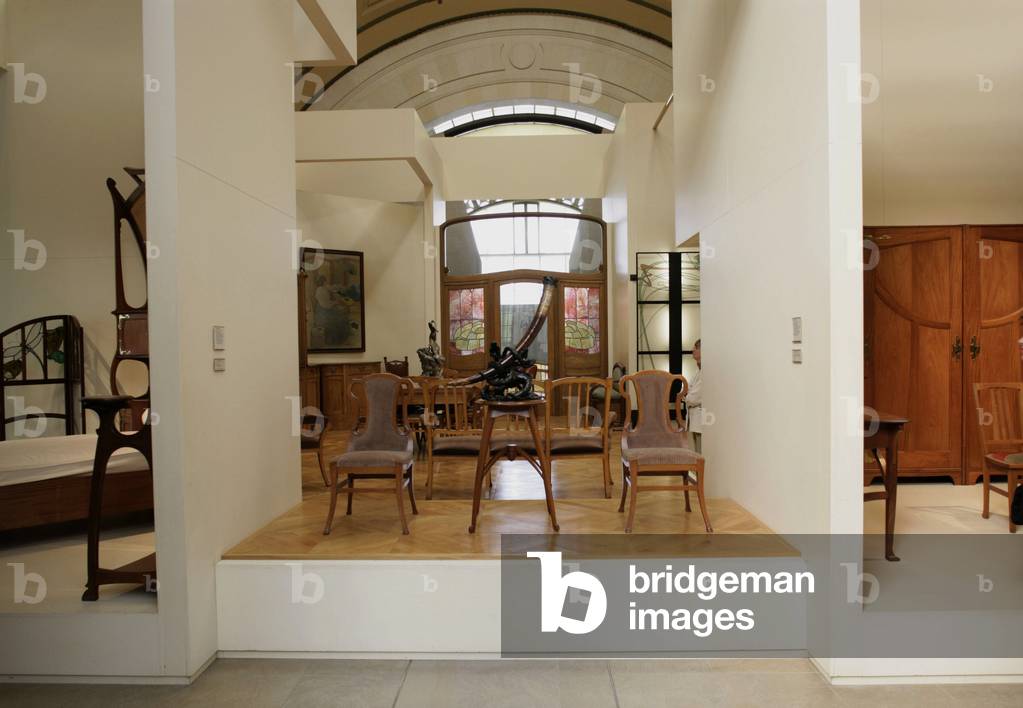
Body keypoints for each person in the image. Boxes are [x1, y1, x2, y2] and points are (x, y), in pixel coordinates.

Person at [685, 339, 703, 453]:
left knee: (700, 452)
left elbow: (693, 398)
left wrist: (686, 395)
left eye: (696, 347)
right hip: (694, 418)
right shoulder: (698, 372)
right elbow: (687, 392)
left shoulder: (706, 372)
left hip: (702, 418)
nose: (692, 350)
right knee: (696, 452)